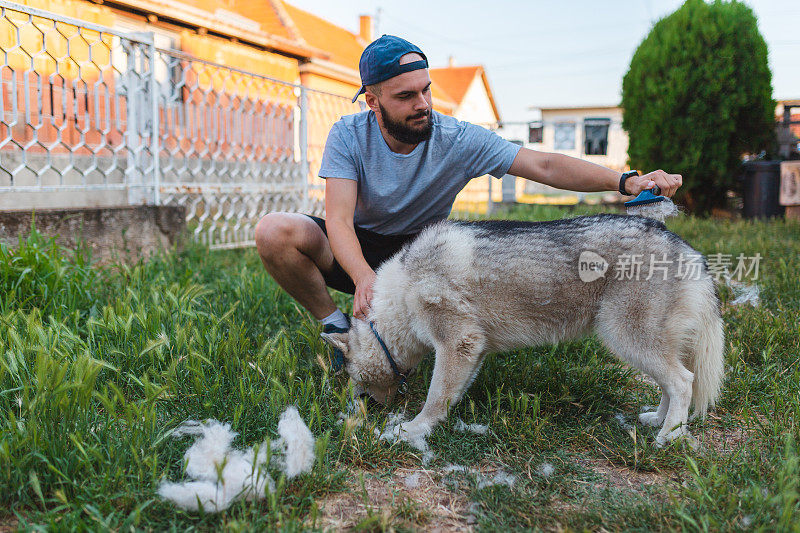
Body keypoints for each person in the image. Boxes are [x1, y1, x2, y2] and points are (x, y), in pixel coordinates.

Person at [254, 35, 682, 365]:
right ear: (373, 100)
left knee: (401, 350)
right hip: (357, 249)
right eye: (405, 96)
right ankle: (337, 327)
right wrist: (366, 280)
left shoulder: (457, 138)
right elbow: (340, 222)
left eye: (426, 90)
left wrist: (625, 180)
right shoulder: (348, 135)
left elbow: (545, 166)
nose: (422, 104)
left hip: (418, 257)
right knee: (274, 231)